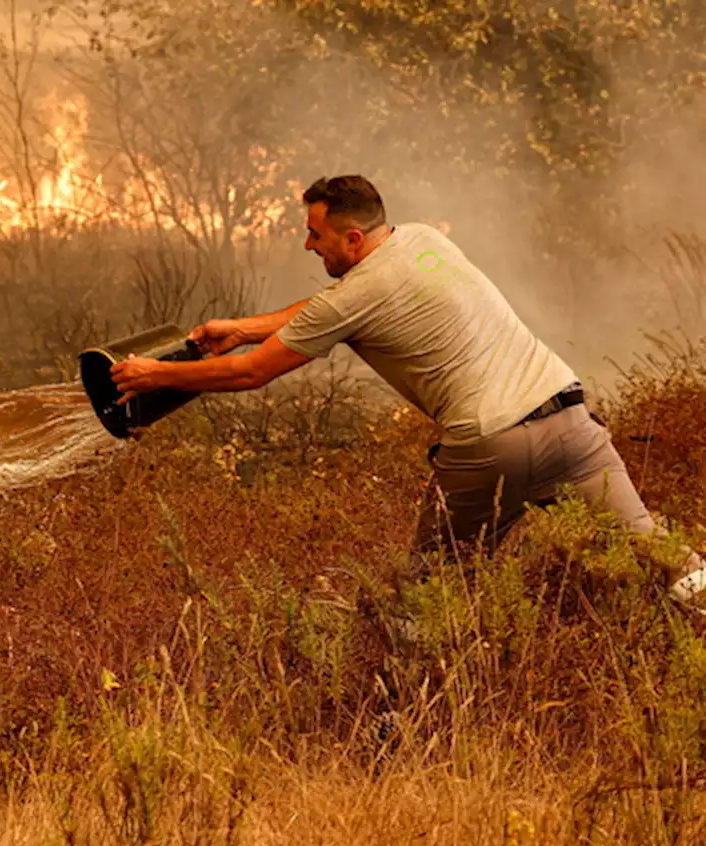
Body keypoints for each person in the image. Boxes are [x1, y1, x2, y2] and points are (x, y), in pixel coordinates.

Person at [110, 174, 706, 607]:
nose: (307, 245)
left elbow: (251, 373)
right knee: (662, 558)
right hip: (572, 423)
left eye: (315, 235)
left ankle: (405, 725)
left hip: (489, 445)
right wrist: (241, 327)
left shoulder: (354, 295)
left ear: (351, 240)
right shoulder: (423, 240)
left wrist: (153, 374)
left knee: (431, 592)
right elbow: (331, 311)